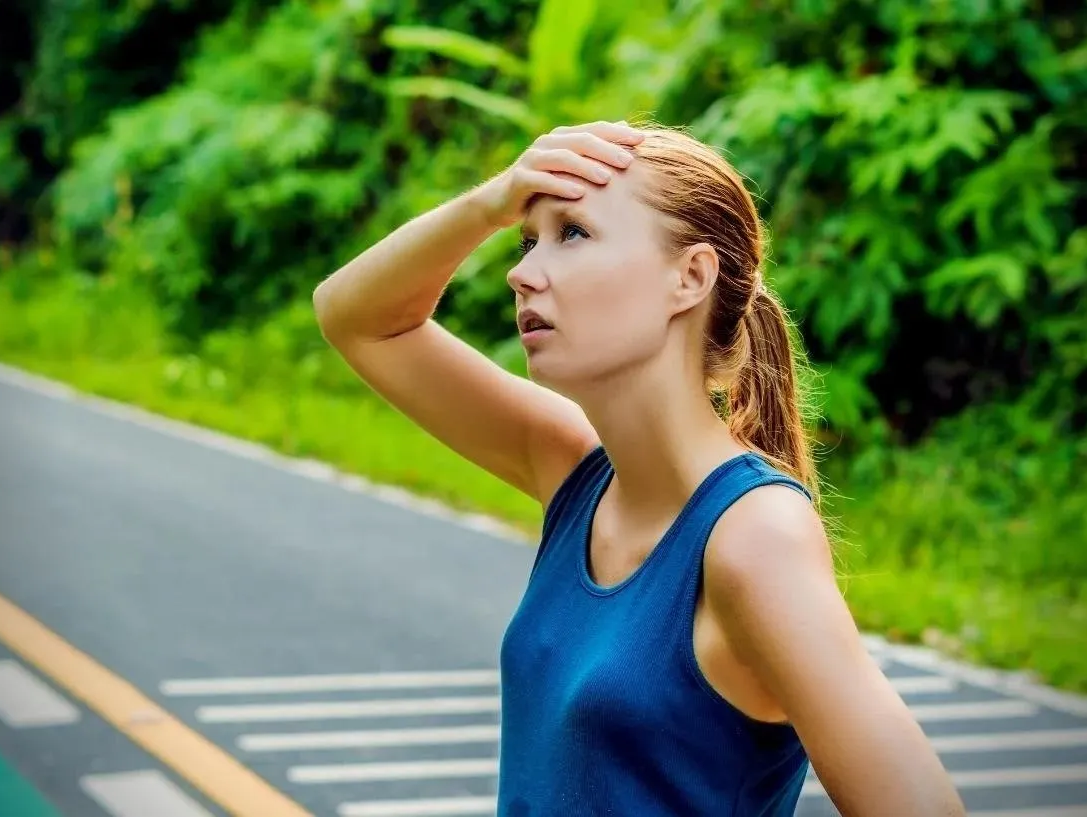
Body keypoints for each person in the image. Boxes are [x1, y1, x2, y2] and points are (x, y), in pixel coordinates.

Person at [313, 120, 964, 816]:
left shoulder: (754, 537)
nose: (521, 272)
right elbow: (355, 316)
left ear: (689, 277)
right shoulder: (575, 471)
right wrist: (492, 202)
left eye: (574, 234)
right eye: (528, 240)